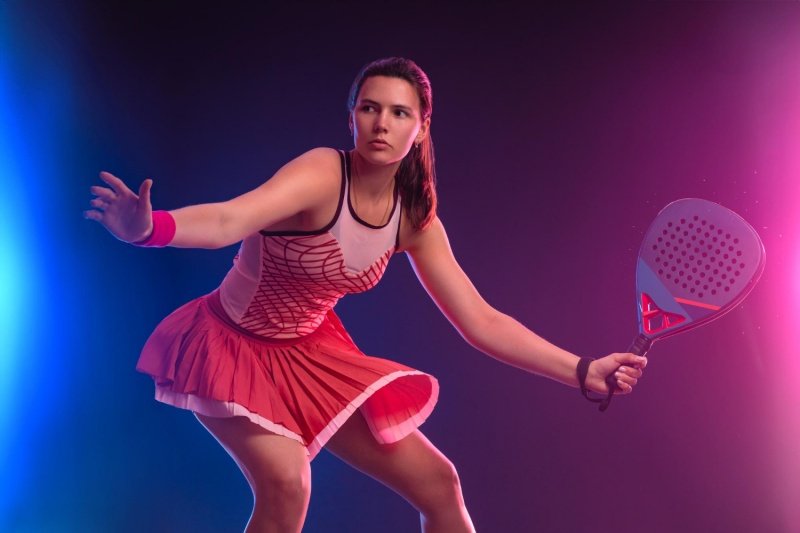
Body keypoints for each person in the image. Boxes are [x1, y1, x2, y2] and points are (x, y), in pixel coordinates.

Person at [84, 57, 647, 533]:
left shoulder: (415, 221)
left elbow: (482, 320)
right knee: (286, 483)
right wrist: (150, 229)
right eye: (369, 108)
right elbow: (232, 218)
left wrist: (581, 369)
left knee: (438, 483)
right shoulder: (323, 173)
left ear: (421, 128)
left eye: (399, 112)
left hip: (311, 356)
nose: (381, 123)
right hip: (231, 345)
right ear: (352, 117)